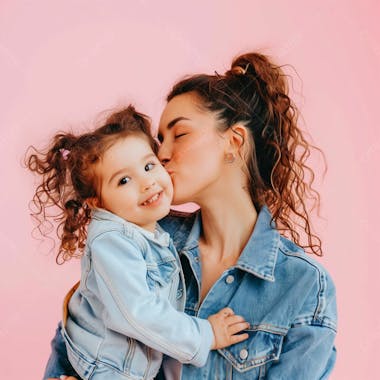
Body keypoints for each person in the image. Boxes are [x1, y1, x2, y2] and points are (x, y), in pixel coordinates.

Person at [43, 52, 337, 380]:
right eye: (159, 141)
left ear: (234, 142)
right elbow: (77, 338)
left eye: (179, 135)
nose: (161, 154)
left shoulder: (303, 287)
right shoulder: (138, 238)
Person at [27, 106, 250, 380]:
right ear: (97, 203)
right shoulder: (112, 241)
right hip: (103, 368)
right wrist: (206, 334)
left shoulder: (149, 230)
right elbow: (137, 313)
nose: (146, 183)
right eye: (123, 180)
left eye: (148, 166)